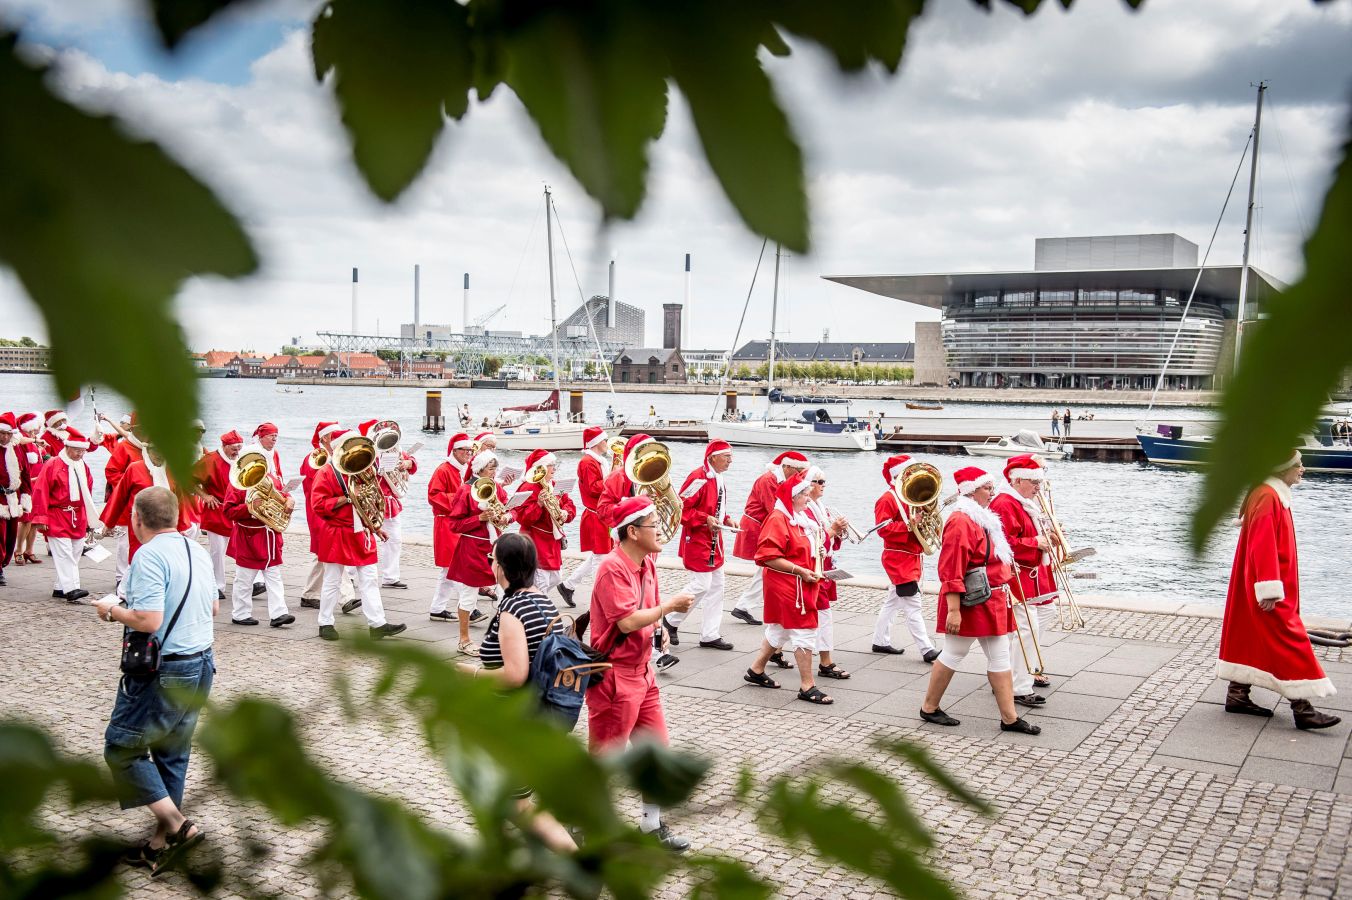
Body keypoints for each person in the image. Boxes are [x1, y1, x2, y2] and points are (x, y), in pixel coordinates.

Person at [95, 487, 217, 877]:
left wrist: (111, 610)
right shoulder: (197, 550)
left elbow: (149, 620)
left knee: (122, 749)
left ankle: (180, 827)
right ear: (176, 516)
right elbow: (214, 606)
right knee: (172, 754)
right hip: (202, 662)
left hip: (166, 668)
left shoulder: (147, 555)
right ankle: (158, 845)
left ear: (137, 518)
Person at [586, 495, 695, 852]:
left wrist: (660, 627)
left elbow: (647, 613)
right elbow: (627, 621)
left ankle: (651, 826)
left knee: (656, 754)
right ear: (632, 532)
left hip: (642, 672)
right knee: (605, 759)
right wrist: (668, 607)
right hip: (614, 675)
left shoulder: (647, 563)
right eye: (653, 525)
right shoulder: (611, 567)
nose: (660, 530)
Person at [463, 532, 577, 853]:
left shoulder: (513, 610)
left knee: (518, 805)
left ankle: (582, 864)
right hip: (542, 715)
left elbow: (515, 675)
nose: (490, 564)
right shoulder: (543, 600)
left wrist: (471, 673)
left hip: (519, 721)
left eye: (492, 559)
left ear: (502, 567)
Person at [1218, 452, 1340, 729]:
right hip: (1268, 586)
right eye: (1298, 464)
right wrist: (1269, 590)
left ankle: (1237, 694)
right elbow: (1262, 544)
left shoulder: (1269, 493)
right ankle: (1302, 708)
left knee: (1249, 632)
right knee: (1288, 639)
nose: (1302, 469)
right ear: (1283, 468)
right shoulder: (1268, 496)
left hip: (1259, 582)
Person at [919, 466, 1041, 735]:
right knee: (954, 652)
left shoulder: (980, 518)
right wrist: (953, 610)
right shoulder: (960, 521)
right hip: (971, 600)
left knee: (999, 656)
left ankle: (1009, 718)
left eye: (991, 487)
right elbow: (951, 569)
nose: (992, 493)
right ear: (970, 491)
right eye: (987, 488)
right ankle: (929, 707)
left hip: (990, 597)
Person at [741, 473, 831, 705]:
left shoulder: (797, 517)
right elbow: (767, 556)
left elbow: (800, 546)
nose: (808, 498)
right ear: (792, 497)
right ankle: (807, 686)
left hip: (798, 583)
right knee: (804, 630)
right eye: (804, 495)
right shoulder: (778, 519)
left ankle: (756, 670)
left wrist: (817, 551)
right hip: (789, 585)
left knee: (779, 630)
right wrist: (800, 570)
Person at [309, 430, 406, 641]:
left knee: (370, 579)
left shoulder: (362, 469)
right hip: (337, 532)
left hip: (361, 532)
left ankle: (377, 624)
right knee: (332, 580)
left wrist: (375, 527)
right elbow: (318, 505)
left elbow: (370, 501)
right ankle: (325, 623)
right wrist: (347, 498)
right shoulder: (326, 472)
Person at [989, 454, 1057, 708]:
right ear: (1017, 480)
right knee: (1025, 630)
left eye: (1039, 481)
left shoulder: (1025, 501)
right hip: (1016, 574)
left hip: (1031, 573)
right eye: (1034, 482)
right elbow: (1002, 543)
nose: (1039, 487)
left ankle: (1015, 669)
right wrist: (1035, 542)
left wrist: (1047, 535)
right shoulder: (1005, 503)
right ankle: (1018, 686)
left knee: (1043, 616)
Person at [664, 439, 737, 650]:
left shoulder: (718, 478)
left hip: (713, 540)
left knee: (717, 586)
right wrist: (705, 518)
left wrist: (726, 519)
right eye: (727, 456)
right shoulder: (698, 477)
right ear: (713, 457)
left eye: (731, 456)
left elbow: (717, 508)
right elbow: (680, 509)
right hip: (697, 539)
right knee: (702, 584)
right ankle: (670, 619)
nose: (730, 461)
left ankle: (709, 634)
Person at [445, 448, 515, 655]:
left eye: (495, 468)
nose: (494, 473)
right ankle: (464, 640)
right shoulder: (465, 490)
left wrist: (507, 517)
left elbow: (511, 508)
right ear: (480, 469)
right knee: (469, 595)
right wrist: (479, 518)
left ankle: (503, 637)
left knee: (506, 593)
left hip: (495, 547)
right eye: (491, 469)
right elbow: (454, 525)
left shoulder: (496, 487)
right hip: (472, 548)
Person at [729, 450, 810, 626]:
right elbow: (774, 507)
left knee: (766, 568)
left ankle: (744, 606)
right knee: (768, 565)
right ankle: (747, 606)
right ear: (786, 466)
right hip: (758, 527)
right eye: (797, 471)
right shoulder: (768, 480)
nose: (799, 475)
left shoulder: (776, 479)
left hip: (764, 525)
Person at [872, 454, 939, 662]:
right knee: (913, 604)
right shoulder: (887, 499)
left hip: (910, 556)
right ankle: (926, 649)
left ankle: (880, 641)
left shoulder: (910, 496)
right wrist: (910, 524)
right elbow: (882, 530)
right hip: (898, 559)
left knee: (892, 602)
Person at [222, 454, 296, 628]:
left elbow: (283, 494)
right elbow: (228, 511)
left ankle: (279, 613)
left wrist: (290, 500)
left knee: (274, 575)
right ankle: (240, 614)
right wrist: (249, 507)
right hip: (249, 536)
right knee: (244, 578)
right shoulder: (236, 484)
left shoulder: (270, 479)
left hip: (269, 536)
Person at [29, 427, 97, 602]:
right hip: (57, 514)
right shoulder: (52, 464)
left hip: (77, 515)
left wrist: (90, 519)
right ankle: (72, 588)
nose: (80, 454)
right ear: (67, 447)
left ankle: (60, 587)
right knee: (64, 553)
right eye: (76, 450)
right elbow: (41, 490)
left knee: (76, 551)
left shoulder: (83, 466)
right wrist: (41, 517)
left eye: (82, 451)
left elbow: (88, 493)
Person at [802, 465, 851, 681]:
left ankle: (769, 655)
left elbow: (829, 542)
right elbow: (810, 541)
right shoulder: (806, 509)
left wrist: (837, 532)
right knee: (823, 614)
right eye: (819, 482)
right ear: (809, 484)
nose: (823, 485)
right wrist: (832, 530)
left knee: (787, 622)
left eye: (824, 482)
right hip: (814, 568)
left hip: (824, 565)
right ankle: (826, 662)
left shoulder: (820, 507)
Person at [299, 421, 352, 608]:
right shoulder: (315, 457)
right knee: (333, 552)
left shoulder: (337, 456)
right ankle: (347, 597)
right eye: (334, 435)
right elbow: (316, 487)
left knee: (323, 554)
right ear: (325, 438)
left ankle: (310, 594)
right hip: (320, 512)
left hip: (332, 510)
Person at [359, 419, 416, 590]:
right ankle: (353, 575)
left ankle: (390, 577)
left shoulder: (395, 450)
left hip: (390, 503)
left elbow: (411, 462)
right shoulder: (367, 453)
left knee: (395, 540)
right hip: (371, 500)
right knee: (362, 539)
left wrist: (408, 463)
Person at [558, 426, 612, 606]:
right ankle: (601, 599)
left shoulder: (597, 461)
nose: (607, 442)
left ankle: (568, 585)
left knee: (599, 555)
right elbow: (593, 488)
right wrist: (611, 478)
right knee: (600, 558)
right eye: (604, 440)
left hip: (601, 513)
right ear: (596, 442)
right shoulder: (588, 462)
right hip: (595, 515)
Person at [513, 448, 577, 598]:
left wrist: (565, 513)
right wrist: (539, 504)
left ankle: (529, 600)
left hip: (552, 540)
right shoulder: (528, 487)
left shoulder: (554, 484)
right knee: (541, 581)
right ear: (540, 467)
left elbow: (569, 503)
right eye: (550, 465)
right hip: (535, 539)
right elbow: (522, 517)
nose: (554, 468)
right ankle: (536, 605)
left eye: (554, 465)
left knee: (556, 577)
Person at [428, 432, 476, 624]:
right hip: (446, 522)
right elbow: (434, 496)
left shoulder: (460, 470)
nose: (468, 453)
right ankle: (470, 608)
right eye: (465, 450)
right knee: (454, 566)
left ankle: (437, 609)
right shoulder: (443, 470)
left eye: (470, 450)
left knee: (448, 570)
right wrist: (460, 500)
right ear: (454, 451)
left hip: (455, 522)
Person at [193, 430, 244, 599]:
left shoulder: (241, 460)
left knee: (242, 548)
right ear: (224, 446)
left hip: (236, 511)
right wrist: (204, 496)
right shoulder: (210, 460)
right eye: (234, 448)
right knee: (218, 551)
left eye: (239, 448)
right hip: (216, 510)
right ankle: (217, 585)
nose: (237, 452)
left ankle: (250, 582)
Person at [0, 412, 32, 587]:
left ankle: (3, 562)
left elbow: (25, 473)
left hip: (13, 497)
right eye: (2, 433)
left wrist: (26, 496)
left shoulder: (17, 448)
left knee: (10, 536)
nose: (5, 437)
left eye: (8, 434)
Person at [11, 412, 44, 567]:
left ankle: (29, 550)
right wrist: (35, 439)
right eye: (36, 426)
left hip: (38, 484)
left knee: (34, 519)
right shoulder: (21, 438)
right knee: (26, 519)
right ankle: (18, 550)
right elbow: (19, 441)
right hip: (27, 484)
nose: (38, 429)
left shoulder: (34, 441)